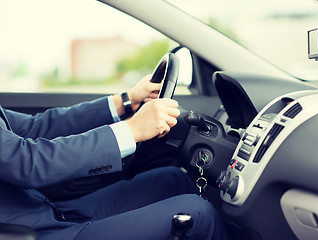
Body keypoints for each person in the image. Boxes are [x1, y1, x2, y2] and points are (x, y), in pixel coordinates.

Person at [0, 75, 228, 240]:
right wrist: (132, 130)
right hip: (31, 231)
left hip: (43, 212)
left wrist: (126, 101)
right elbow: (25, 162)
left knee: (172, 180)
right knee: (198, 213)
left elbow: (34, 127)